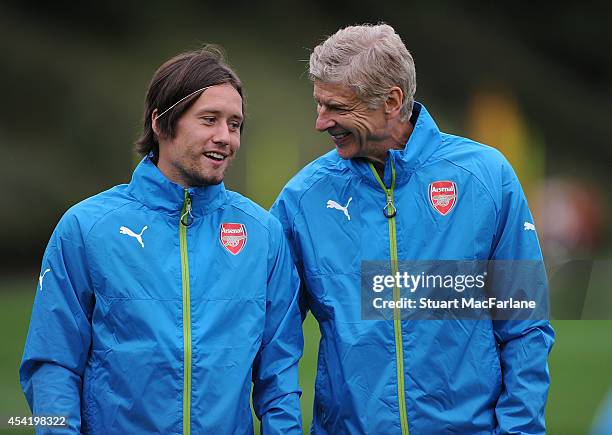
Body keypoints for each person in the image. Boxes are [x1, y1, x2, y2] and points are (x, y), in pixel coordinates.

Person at [271, 24, 555, 434]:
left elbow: (525, 326)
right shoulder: (303, 199)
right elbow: (273, 342)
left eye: (336, 107)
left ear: (392, 100)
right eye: (318, 104)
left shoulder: (486, 179)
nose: (321, 122)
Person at [20, 45, 303, 434]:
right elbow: (53, 363)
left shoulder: (262, 233)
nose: (225, 137)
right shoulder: (87, 228)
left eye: (234, 124)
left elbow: (279, 376)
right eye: (209, 120)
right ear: (161, 122)